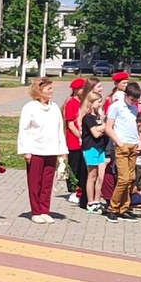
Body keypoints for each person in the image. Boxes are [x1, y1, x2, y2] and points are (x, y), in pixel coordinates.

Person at [19, 76, 66, 223]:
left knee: (47, 182)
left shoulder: (54, 108)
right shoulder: (30, 108)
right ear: (39, 90)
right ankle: (36, 211)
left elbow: (60, 130)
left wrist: (62, 151)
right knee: (35, 183)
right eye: (49, 88)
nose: (51, 91)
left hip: (51, 150)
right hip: (35, 150)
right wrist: (26, 150)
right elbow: (24, 130)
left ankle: (45, 210)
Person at [105, 82, 141, 223]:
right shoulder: (116, 107)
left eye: (135, 100)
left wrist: (139, 140)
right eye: (132, 99)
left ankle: (123, 208)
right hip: (122, 145)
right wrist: (117, 141)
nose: (133, 102)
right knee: (123, 179)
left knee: (130, 179)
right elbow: (109, 127)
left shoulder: (134, 108)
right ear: (126, 95)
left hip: (133, 145)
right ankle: (112, 208)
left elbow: (135, 126)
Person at [79, 82, 107, 216]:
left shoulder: (98, 117)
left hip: (100, 148)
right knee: (92, 175)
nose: (99, 104)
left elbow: (103, 129)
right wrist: (103, 128)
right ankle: (90, 202)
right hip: (90, 148)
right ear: (90, 103)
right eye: (97, 102)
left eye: (100, 102)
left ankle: (97, 200)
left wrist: (102, 128)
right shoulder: (88, 118)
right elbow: (95, 133)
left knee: (101, 177)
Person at [62, 78, 87, 207]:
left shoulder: (83, 102)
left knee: (83, 167)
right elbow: (70, 124)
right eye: (82, 88)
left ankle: (81, 190)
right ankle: (73, 190)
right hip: (73, 140)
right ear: (75, 90)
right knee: (74, 166)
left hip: (83, 140)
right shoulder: (71, 103)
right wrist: (80, 136)